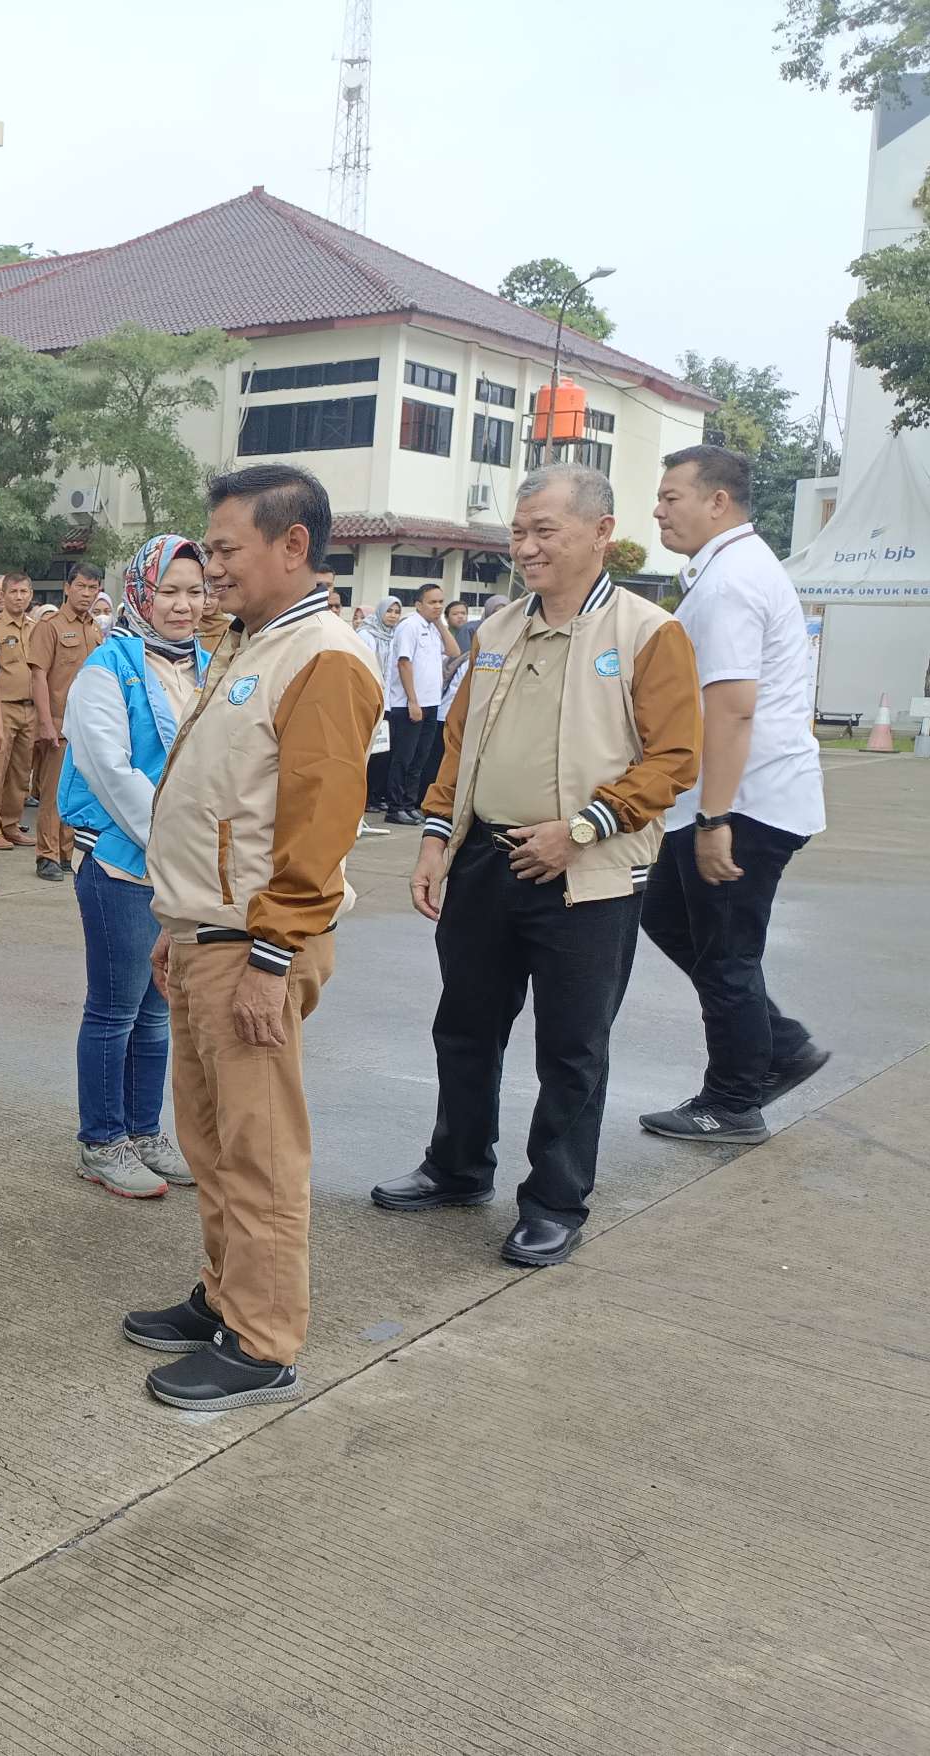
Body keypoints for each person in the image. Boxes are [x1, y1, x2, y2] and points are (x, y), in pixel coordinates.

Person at [374, 464, 702, 1266]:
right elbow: (460, 744)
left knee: (571, 1044)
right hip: (485, 857)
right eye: (517, 532)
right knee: (464, 1024)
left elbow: (675, 758)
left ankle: (554, 1200)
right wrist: (434, 837)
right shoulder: (496, 629)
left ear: (599, 531)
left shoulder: (645, 632)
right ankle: (456, 1167)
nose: (523, 546)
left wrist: (582, 828)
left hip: (584, 870)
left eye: (542, 530)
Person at [126, 463, 381, 1410]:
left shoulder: (322, 658)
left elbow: (318, 827)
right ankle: (225, 1295)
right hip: (208, 931)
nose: (214, 568)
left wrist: (270, 955)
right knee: (209, 1139)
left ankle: (264, 1341)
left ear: (293, 546)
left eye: (227, 549)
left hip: (254, 942)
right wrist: (177, 923)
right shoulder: (252, 645)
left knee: (260, 1147)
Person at [638, 444, 829, 1143]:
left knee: (725, 955)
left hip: (742, 802)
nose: (657, 510)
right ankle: (775, 1045)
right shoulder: (729, 570)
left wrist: (714, 817)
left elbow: (732, 708)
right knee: (665, 915)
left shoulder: (728, 583)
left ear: (717, 501)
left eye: (670, 497)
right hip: (732, 798)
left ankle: (732, 1101)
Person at [58, 534, 206, 1199]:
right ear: (142, 592)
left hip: (183, 866)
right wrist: (172, 839)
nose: (182, 605)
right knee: (114, 1009)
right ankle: (101, 1140)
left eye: (194, 591)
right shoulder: (106, 667)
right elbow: (109, 770)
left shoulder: (209, 667)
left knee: (156, 1012)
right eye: (169, 591)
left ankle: (144, 1131)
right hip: (122, 862)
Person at [27, 561, 102, 881]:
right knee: (54, 792)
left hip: (90, 724)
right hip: (59, 722)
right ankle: (47, 855)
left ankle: (67, 852)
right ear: (67, 588)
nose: (86, 594)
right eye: (81, 586)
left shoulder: (95, 628)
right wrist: (45, 721)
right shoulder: (51, 626)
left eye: (93, 588)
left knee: (79, 792)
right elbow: (39, 675)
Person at [0, 573, 39, 849]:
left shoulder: (36, 627)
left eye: (24, 591)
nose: (19, 597)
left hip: (30, 708)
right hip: (3, 706)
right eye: (13, 591)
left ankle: (11, 823)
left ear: (31, 594)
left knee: (21, 771)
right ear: (2, 595)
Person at [383, 582, 446, 824]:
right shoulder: (409, 626)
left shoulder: (433, 628)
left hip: (431, 703)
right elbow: (404, 663)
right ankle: (395, 806)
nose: (438, 606)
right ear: (418, 605)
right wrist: (412, 700)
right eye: (432, 602)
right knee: (403, 757)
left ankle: (409, 804)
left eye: (441, 602)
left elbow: (452, 650)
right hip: (409, 703)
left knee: (420, 758)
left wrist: (440, 623)